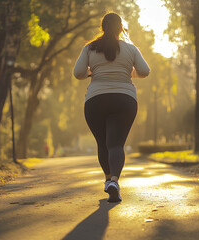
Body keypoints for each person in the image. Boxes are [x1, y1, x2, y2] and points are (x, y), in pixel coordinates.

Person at [73, 12, 150, 202]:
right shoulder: (131, 49)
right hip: (124, 100)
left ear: (103, 27)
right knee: (115, 144)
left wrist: (91, 73)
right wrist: (129, 72)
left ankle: (108, 180)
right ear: (121, 29)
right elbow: (145, 71)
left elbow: (78, 73)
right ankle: (114, 181)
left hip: (95, 101)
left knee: (102, 143)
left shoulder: (89, 48)